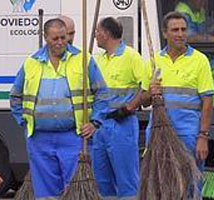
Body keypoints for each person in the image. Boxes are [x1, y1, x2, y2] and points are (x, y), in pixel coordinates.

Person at [9, 18, 108, 199]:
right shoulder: (31, 63)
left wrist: (95, 122)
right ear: (45, 37)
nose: (60, 42)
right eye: (55, 39)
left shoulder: (83, 60)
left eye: (63, 37)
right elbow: (15, 96)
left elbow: (102, 93)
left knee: (76, 190)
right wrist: (24, 122)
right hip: (40, 139)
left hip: (74, 137)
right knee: (46, 193)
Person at [145, 11, 214, 174]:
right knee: (159, 179)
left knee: (190, 179)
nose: (180, 34)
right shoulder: (154, 61)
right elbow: (143, 100)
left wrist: (203, 137)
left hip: (188, 132)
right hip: (157, 131)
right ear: (164, 34)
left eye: (184, 29)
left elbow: (208, 101)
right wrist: (150, 93)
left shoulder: (200, 60)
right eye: (175, 30)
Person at [91, 17, 147, 199]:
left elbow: (145, 86)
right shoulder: (98, 60)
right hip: (99, 126)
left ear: (106, 34)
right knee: (102, 181)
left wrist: (131, 106)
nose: (95, 36)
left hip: (121, 125)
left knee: (126, 179)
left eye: (97, 32)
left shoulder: (131, 56)